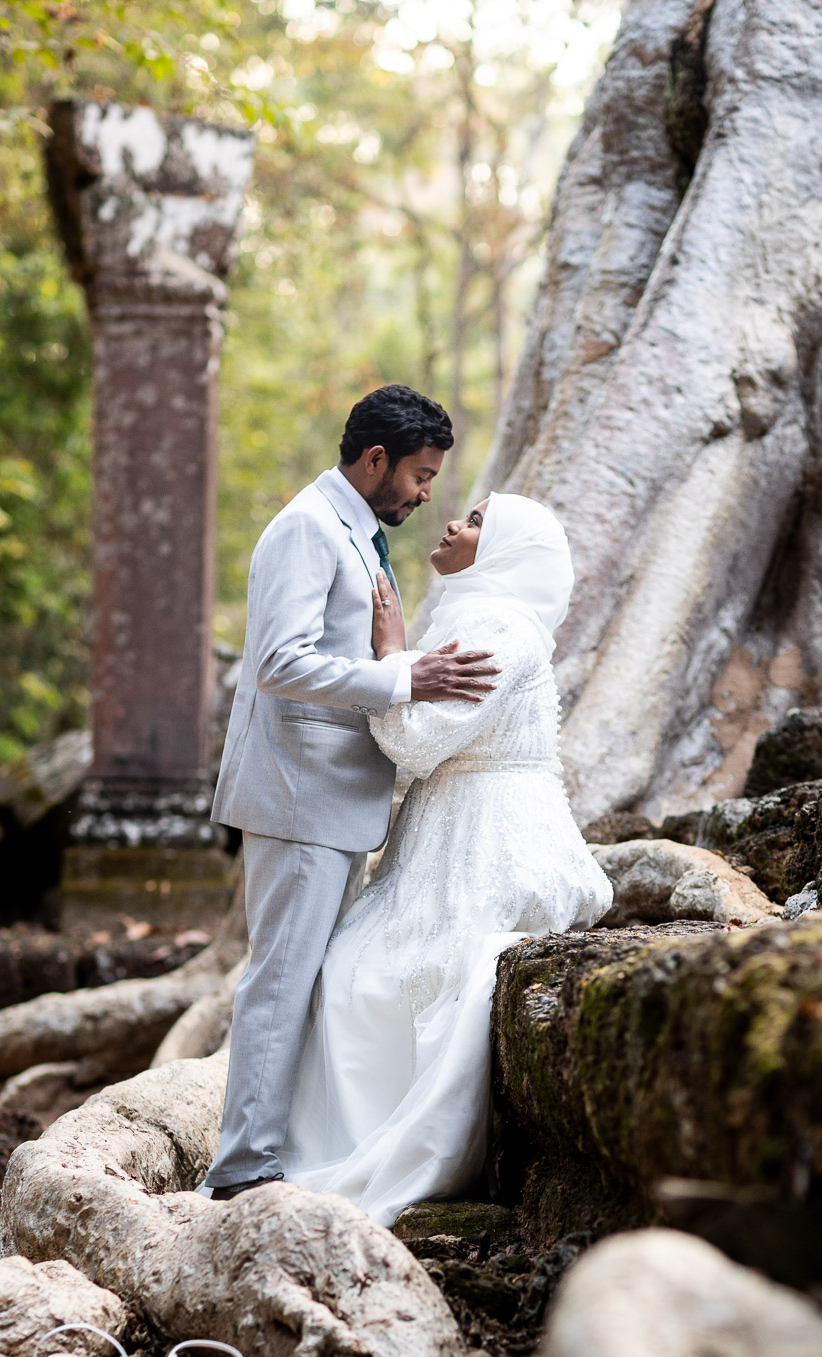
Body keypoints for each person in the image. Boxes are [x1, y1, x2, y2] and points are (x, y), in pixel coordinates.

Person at [280, 491, 613, 1226]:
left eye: (476, 523)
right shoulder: (475, 616)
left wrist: (391, 658)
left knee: (373, 978)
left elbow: (416, 744)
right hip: (446, 826)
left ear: (506, 553)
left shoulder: (497, 628)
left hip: (487, 833)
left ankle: (379, 1150)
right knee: (354, 971)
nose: (454, 526)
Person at [205, 385, 499, 1201]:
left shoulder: (358, 531)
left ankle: (279, 1151)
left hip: (334, 800)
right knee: (280, 981)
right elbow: (279, 662)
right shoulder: (306, 526)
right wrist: (406, 677)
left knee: (310, 985)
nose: (426, 493)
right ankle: (241, 1172)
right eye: (420, 474)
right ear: (376, 460)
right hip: (299, 795)